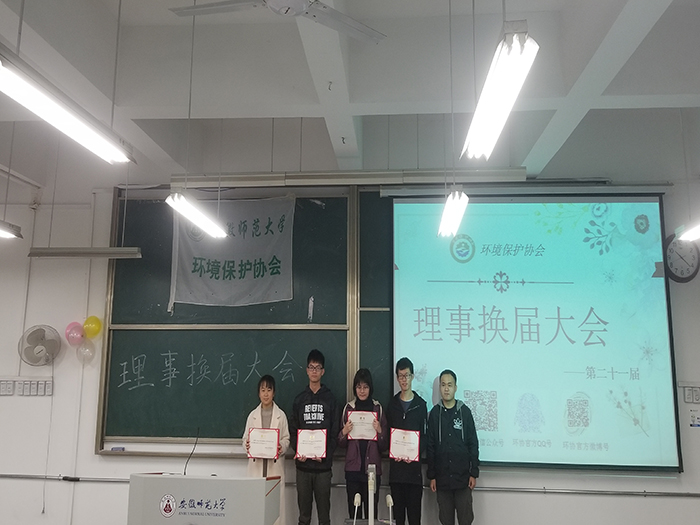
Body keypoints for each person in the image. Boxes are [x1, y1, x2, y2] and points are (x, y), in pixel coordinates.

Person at [289, 349, 339, 525]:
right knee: (304, 517)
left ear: (323, 371)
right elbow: (293, 430)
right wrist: (298, 450)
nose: (314, 371)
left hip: (323, 468)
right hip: (303, 468)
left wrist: (325, 454)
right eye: (311, 367)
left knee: (324, 518)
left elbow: (335, 432)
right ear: (306, 370)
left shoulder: (331, 399)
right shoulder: (299, 400)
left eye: (318, 368)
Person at [426, 370, 479, 525]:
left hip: (463, 480)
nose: (446, 388)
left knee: (465, 520)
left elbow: (473, 443)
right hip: (442, 481)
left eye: (450, 385)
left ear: (455, 387)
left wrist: (474, 473)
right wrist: (432, 476)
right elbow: (430, 446)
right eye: (443, 385)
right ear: (439, 388)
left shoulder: (465, 412)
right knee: (445, 521)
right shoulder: (434, 414)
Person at [338, 368, 388, 519]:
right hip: (353, 470)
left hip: (372, 470)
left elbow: (384, 445)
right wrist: (344, 432)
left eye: (365, 387)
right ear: (355, 388)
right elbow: (340, 443)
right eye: (359, 387)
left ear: (370, 388)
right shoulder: (349, 408)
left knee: (371, 515)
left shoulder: (378, 408)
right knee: (355, 515)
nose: (362, 391)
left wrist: (380, 431)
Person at [243, 374, 290, 525]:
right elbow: (245, 439)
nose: (266, 394)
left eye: (269, 390)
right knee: (255, 510)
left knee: (274, 512)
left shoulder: (281, 416)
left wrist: (281, 446)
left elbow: (286, 439)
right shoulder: (252, 416)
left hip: (274, 468)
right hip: (256, 468)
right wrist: (247, 445)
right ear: (258, 393)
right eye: (262, 390)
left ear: (274, 393)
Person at [387, 357, 428, 525]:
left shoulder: (421, 405)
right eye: (401, 376)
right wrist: (393, 450)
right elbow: (388, 435)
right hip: (396, 474)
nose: (404, 380)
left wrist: (415, 453)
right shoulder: (392, 404)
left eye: (407, 375)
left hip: (414, 475)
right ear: (397, 378)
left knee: (414, 519)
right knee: (398, 520)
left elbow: (425, 437)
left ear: (413, 376)